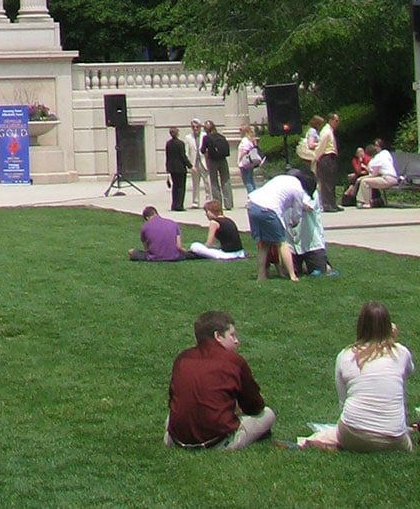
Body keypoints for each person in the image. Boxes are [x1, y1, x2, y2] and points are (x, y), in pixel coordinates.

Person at [301, 301, 415, 452]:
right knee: (408, 441)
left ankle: (320, 441)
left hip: (352, 434)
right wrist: (391, 340)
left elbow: (343, 402)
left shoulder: (345, 356)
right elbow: (409, 370)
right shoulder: (401, 353)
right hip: (394, 439)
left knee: (332, 434)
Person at [165, 310, 275, 450]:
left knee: (176, 414)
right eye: (232, 335)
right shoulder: (233, 361)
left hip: (177, 439)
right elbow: (254, 407)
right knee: (268, 414)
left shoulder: (182, 358)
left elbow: (174, 400)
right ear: (217, 336)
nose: (236, 341)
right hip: (217, 441)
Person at [246, 170, 309, 283]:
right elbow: (297, 211)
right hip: (269, 209)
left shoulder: (281, 178)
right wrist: (294, 222)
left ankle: (261, 276)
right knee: (282, 243)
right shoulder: (298, 190)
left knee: (263, 244)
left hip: (252, 204)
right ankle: (292, 275)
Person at [291, 176, 337, 278]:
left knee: (319, 271)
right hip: (293, 244)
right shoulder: (285, 194)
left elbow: (307, 207)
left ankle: (324, 265)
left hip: (312, 244)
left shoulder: (311, 193)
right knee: (290, 271)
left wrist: (291, 199)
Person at [128, 206, 193, 262]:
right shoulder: (173, 223)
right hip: (174, 256)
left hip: (154, 257)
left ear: (147, 218)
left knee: (131, 251)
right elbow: (179, 246)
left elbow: (147, 248)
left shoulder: (144, 227)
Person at [200, 120, 233, 212]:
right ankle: (228, 203)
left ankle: (218, 203)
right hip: (223, 160)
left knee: (214, 182)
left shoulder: (206, 138)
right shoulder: (221, 136)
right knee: (226, 181)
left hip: (212, 161)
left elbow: (202, 150)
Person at [356, 141, 399, 209]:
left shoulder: (378, 158)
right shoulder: (385, 153)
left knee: (365, 181)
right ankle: (363, 201)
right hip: (393, 178)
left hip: (387, 179)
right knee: (365, 180)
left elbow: (374, 175)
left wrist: (362, 178)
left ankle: (366, 203)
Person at [312, 112, 341, 213]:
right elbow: (321, 146)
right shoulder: (326, 131)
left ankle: (332, 203)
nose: (337, 123)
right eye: (336, 121)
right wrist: (316, 158)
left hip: (331, 157)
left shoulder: (330, 131)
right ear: (330, 120)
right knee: (326, 182)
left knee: (331, 181)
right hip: (326, 158)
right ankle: (327, 204)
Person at [165, 127, 191, 214]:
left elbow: (168, 157)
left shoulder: (168, 144)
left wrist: (168, 168)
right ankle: (179, 205)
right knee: (181, 187)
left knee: (175, 186)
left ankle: (174, 204)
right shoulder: (180, 143)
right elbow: (183, 156)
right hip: (180, 168)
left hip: (172, 168)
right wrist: (190, 166)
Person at [184, 119, 208, 209]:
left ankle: (208, 200)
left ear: (200, 127)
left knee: (207, 183)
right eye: (193, 127)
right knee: (195, 184)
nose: (195, 128)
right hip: (194, 163)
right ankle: (195, 202)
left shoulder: (205, 136)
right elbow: (187, 152)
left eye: (197, 127)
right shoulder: (188, 137)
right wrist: (189, 165)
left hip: (204, 162)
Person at [235, 124, 263, 194]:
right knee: (250, 180)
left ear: (244, 131)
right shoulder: (251, 140)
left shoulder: (245, 140)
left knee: (247, 181)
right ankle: (254, 195)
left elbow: (244, 151)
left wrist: (239, 160)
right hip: (250, 162)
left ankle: (252, 196)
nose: (239, 132)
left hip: (244, 163)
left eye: (240, 130)